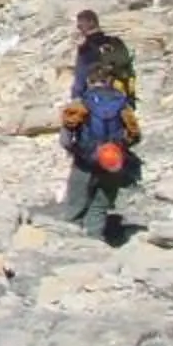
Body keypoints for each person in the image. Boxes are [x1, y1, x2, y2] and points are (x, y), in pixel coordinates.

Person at [57, 34, 142, 241]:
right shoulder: (122, 104)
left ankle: (70, 239)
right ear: (109, 81)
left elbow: (66, 138)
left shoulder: (80, 104)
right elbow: (135, 134)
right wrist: (121, 146)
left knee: (76, 202)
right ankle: (95, 239)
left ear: (89, 81)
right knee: (100, 204)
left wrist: (75, 150)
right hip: (111, 159)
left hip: (85, 160)